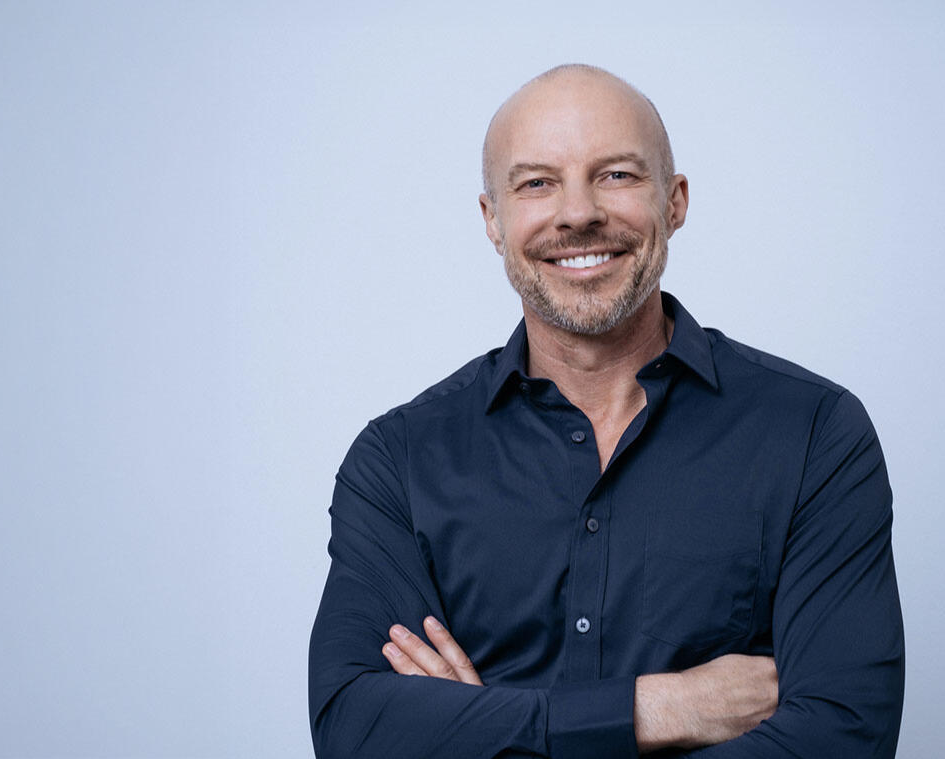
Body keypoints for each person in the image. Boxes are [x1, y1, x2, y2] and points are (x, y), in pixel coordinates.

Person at [308, 64, 904, 758]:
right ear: (492, 220)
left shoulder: (815, 435)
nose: (578, 213)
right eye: (536, 183)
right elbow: (356, 730)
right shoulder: (399, 462)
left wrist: (482, 727)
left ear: (675, 201)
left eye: (617, 175)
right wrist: (658, 707)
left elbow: (842, 738)